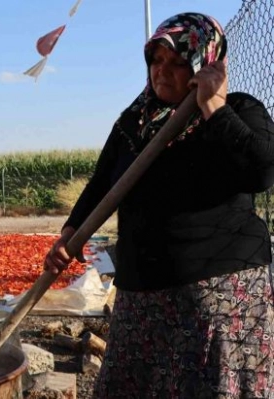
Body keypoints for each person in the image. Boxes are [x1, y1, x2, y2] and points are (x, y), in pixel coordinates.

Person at [44, 12, 274, 398]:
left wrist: (213, 107)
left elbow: (263, 171)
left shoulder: (238, 110)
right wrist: (70, 235)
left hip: (217, 298)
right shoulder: (133, 123)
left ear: (206, 64)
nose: (161, 71)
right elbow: (103, 182)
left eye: (178, 62)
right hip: (142, 297)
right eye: (156, 60)